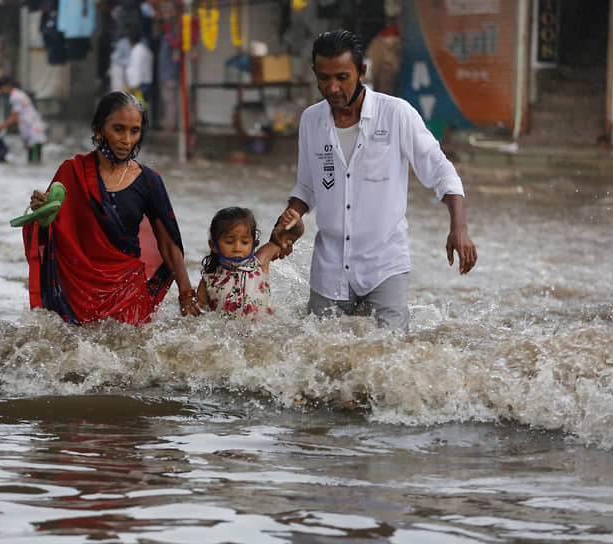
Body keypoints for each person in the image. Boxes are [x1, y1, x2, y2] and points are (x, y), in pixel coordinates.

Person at [270, 29, 477, 332]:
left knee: (391, 354)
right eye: (324, 78)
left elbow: (441, 171)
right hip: (329, 270)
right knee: (319, 355)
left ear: (362, 72)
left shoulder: (396, 115)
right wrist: (291, 216)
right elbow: (308, 186)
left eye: (342, 77)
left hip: (385, 265)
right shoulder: (311, 121)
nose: (333, 88)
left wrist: (459, 228)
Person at [21, 91, 200, 326]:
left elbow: (168, 244)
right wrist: (41, 213)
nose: (126, 139)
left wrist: (186, 294)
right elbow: (54, 233)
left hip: (128, 292)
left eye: (134, 131)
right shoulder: (71, 171)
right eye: (118, 129)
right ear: (98, 129)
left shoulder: (148, 180)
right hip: (79, 291)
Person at [196, 207, 298, 320]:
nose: (237, 248)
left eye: (245, 242)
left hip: (260, 334)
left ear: (254, 244)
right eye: (229, 242)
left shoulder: (260, 263)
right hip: (226, 336)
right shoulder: (209, 280)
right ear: (213, 246)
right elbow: (199, 317)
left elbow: (286, 236)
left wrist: (294, 221)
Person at [0, 77, 46, 163]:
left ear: (4, 87)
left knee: (34, 160)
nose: (1, 92)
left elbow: (13, 117)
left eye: (0, 90)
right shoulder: (17, 94)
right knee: (33, 161)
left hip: (33, 130)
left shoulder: (15, 97)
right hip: (31, 129)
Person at [157, 22, 180, 131]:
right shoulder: (166, 39)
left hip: (169, 76)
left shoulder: (171, 40)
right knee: (168, 101)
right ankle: (168, 124)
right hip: (166, 76)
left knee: (170, 102)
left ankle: (170, 125)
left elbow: (175, 59)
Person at [125, 30, 153, 108]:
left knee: (138, 109)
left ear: (131, 41)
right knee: (143, 108)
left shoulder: (137, 52)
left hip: (139, 85)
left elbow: (137, 70)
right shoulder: (145, 50)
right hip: (145, 82)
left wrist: (134, 87)